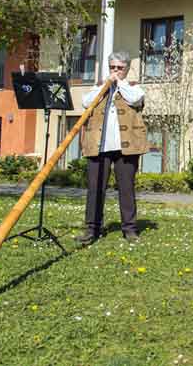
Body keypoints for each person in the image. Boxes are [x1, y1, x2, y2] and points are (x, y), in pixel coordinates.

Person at [76, 51, 148, 245]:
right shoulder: (100, 87)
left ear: (126, 69)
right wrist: (104, 85)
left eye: (119, 68)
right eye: (112, 67)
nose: (115, 71)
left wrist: (119, 83)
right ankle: (92, 229)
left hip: (127, 147)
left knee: (126, 188)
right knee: (95, 189)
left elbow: (135, 100)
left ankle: (130, 229)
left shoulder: (133, 87)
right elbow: (85, 103)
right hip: (98, 146)